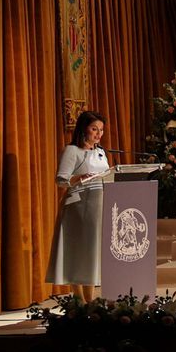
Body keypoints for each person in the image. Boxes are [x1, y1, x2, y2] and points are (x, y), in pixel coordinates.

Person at [46, 111, 109, 299]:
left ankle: (91, 300)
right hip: (78, 206)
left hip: (98, 207)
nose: (98, 134)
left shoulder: (100, 152)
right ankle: (79, 301)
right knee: (78, 251)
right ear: (83, 129)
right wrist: (79, 178)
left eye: (101, 130)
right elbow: (60, 180)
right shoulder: (72, 151)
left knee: (91, 252)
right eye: (94, 129)